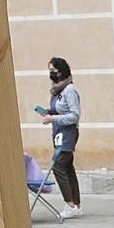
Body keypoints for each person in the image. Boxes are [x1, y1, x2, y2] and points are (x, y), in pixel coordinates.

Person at [38, 56, 82, 218]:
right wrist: (48, 113)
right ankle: (76, 204)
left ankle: (69, 203)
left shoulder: (70, 91)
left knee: (58, 166)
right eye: (50, 71)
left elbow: (74, 116)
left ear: (62, 71)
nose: (52, 74)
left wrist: (53, 118)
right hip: (58, 133)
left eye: (54, 71)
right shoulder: (58, 91)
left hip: (67, 133)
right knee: (68, 167)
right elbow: (58, 111)